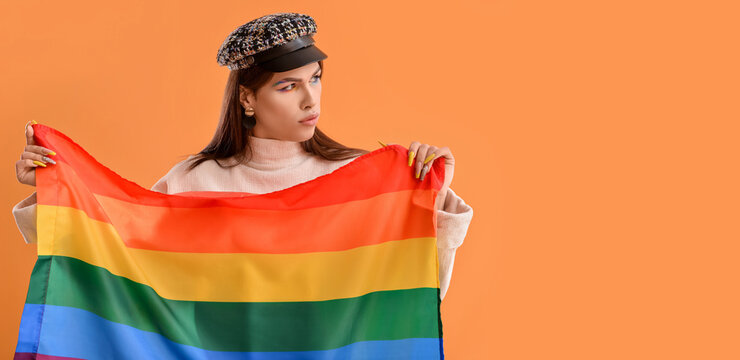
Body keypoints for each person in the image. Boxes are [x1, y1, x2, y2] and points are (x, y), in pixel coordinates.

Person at [12, 12, 473, 300]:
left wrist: (436, 196)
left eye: (315, 78)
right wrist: (57, 187)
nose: (310, 100)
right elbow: (119, 260)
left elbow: (412, 295)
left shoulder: (351, 177)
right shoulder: (193, 181)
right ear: (247, 100)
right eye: (288, 86)